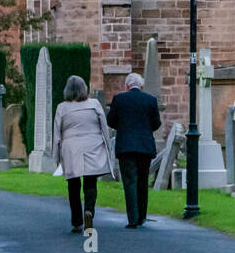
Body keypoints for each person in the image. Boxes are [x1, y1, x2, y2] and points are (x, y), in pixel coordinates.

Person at [54, 74, 114, 234]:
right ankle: (89, 211)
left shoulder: (62, 107)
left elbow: (57, 135)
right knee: (90, 182)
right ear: (84, 89)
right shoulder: (94, 104)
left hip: (71, 147)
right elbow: (104, 127)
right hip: (92, 145)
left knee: (73, 185)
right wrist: (108, 149)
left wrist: (57, 158)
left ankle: (76, 221)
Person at [107, 73, 161, 228]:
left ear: (127, 85)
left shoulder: (119, 99)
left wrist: (124, 127)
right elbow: (156, 123)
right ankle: (142, 216)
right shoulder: (150, 100)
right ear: (141, 86)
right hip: (144, 145)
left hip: (126, 146)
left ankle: (132, 218)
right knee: (143, 181)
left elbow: (110, 120)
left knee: (130, 181)